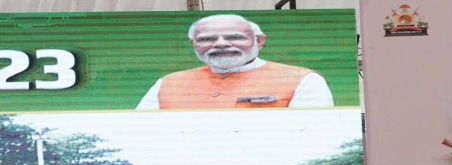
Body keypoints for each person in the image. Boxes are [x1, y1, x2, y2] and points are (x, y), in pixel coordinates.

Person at [136, 14, 334, 110]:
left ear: (259, 41)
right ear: (194, 44)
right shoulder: (168, 83)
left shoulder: (303, 79)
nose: (221, 44)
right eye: (207, 39)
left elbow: (314, 133)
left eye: (235, 37)